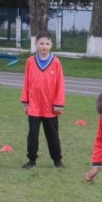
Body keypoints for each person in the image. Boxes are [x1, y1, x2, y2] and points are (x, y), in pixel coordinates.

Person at [21, 30, 65, 169]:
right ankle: (31, 160)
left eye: (47, 43)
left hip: (50, 107)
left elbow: (60, 84)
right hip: (34, 106)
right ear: (36, 44)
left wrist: (59, 104)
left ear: (51, 45)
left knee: (52, 135)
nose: (44, 46)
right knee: (32, 134)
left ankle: (57, 160)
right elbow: (26, 82)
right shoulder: (30, 61)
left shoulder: (56, 62)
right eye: (41, 43)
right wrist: (25, 101)